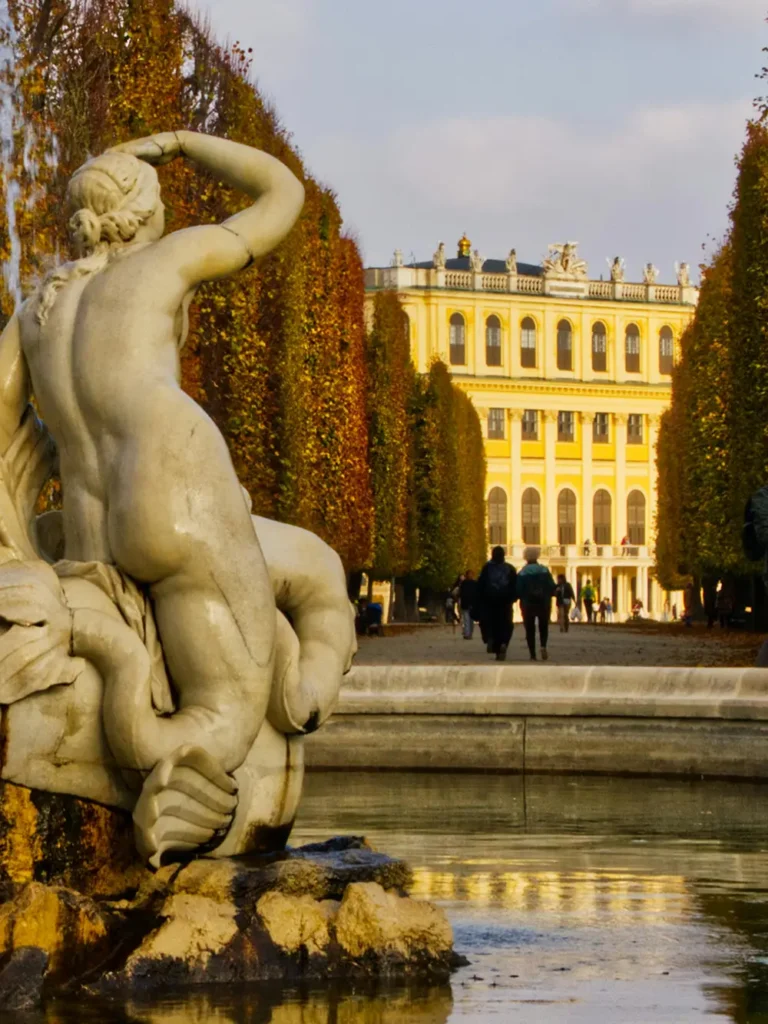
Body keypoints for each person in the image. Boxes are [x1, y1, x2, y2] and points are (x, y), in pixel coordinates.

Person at [476, 546, 517, 660]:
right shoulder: (510, 568)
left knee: (490, 623)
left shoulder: (487, 568)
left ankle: (490, 639)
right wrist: (513, 598)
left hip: (490, 601)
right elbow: (515, 586)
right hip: (505, 602)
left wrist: (480, 600)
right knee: (506, 624)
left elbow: (481, 585)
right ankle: (504, 643)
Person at [517, 547, 556, 661]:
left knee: (529, 629)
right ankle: (543, 646)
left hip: (527, 603)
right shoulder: (544, 570)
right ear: (537, 556)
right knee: (543, 626)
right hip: (543, 602)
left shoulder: (523, 572)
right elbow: (551, 586)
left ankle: (532, 653)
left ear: (526, 557)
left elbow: (518, 589)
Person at [459, 569, 478, 640]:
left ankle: (468, 634)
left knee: (467, 620)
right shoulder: (475, 583)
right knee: (470, 620)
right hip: (472, 604)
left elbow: (461, 594)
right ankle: (469, 634)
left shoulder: (463, 583)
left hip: (466, 603)